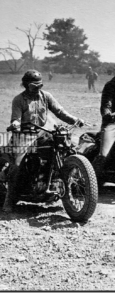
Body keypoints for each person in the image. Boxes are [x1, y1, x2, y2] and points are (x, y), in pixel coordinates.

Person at [0, 69, 85, 213]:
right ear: (26, 85)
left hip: (42, 132)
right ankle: (9, 199)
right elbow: (16, 118)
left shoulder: (46, 96)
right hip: (24, 134)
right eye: (34, 86)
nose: (37, 89)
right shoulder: (19, 99)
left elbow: (59, 111)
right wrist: (15, 124)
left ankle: (75, 183)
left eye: (40, 85)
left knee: (66, 147)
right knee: (17, 164)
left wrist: (75, 119)